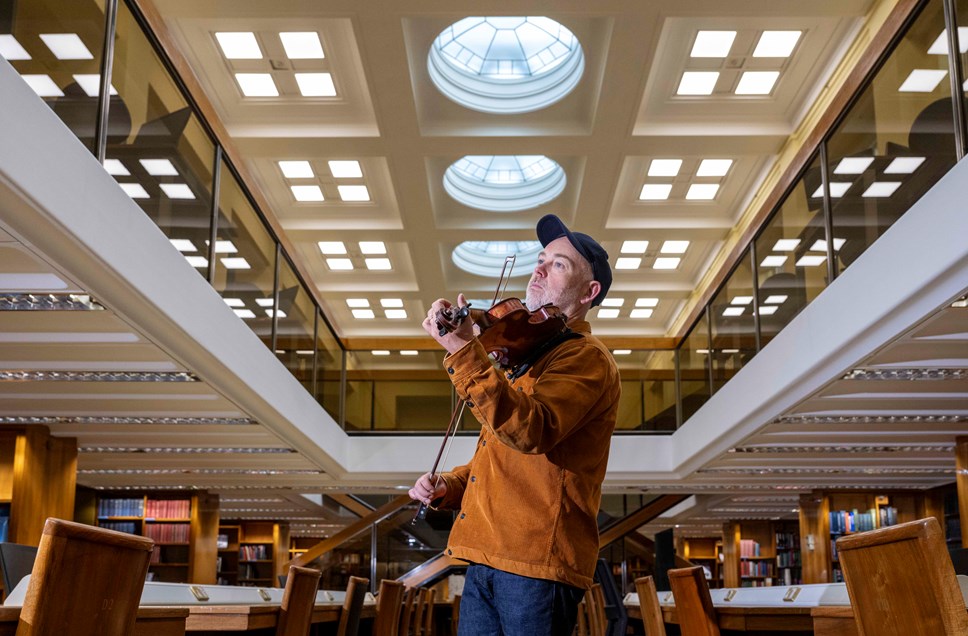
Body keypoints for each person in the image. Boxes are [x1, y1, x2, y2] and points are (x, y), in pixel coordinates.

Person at [409, 214, 621, 635]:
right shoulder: (525, 354)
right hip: (486, 555)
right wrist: (450, 486)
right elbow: (500, 461)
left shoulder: (585, 357)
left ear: (589, 291)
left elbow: (531, 432)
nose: (539, 268)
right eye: (541, 259)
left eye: (559, 264)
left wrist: (464, 350)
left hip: (535, 564)